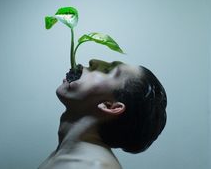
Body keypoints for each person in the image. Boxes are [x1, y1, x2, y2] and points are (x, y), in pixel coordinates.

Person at [38, 59, 167, 169]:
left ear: (110, 106)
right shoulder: (65, 157)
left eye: (107, 71)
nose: (92, 61)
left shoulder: (90, 166)